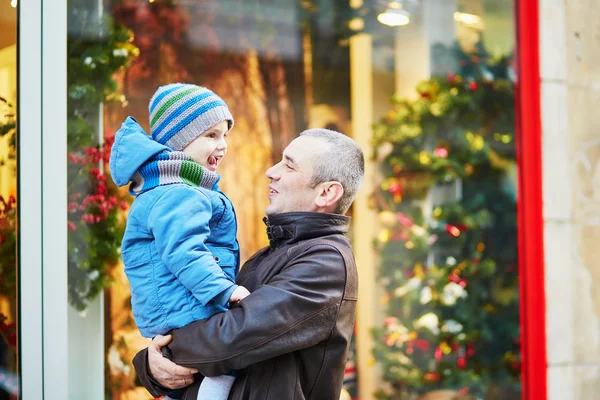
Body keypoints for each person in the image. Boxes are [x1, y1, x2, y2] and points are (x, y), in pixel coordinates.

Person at [132, 127, 365, 400]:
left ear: (326, 193)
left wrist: (155, 357)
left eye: (289, 166)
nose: (272, 171)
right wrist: (152, 366)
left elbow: (230, 338)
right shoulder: (271, 255)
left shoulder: (326, 262)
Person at [109, 83, 250, 400]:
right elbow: (183, 252)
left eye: (224, 134)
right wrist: (225, 290)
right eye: (211, 136)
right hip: (184, 306)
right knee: (226, 365)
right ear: (178, 141)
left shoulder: (176, 186)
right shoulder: (178, 193)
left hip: (182, 303)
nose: (223, 145)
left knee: (192, 377)